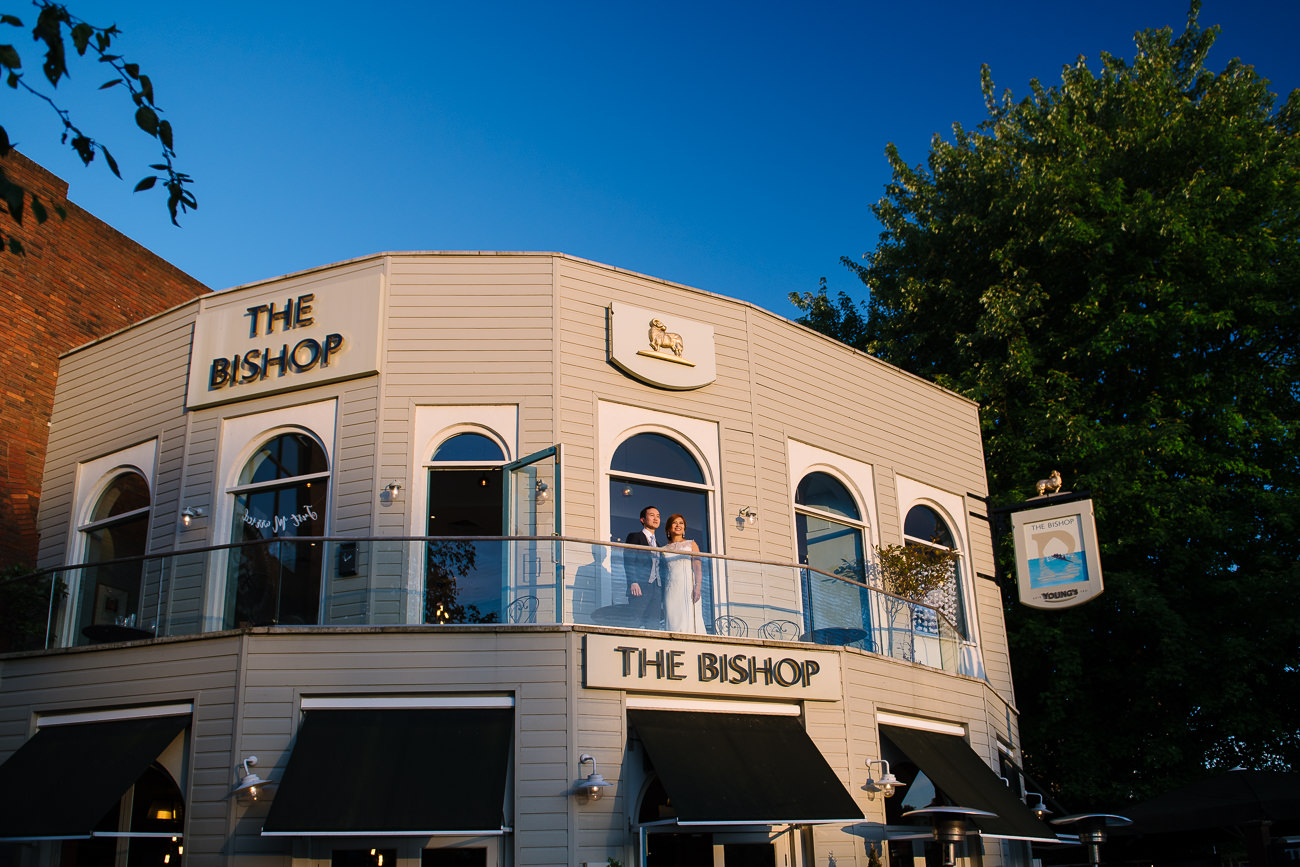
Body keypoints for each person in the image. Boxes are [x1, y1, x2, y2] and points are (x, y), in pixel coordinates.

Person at [661, 513, 703, 633]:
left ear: (684, 528)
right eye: (675, 523)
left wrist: (698, 587)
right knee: (672, 618)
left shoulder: (691, 544)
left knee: (688, 617)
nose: (678, 525)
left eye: (681, 523)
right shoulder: (663, 548)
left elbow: (698, 566)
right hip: (671, 589)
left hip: (688, 587)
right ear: (669, 528)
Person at [624, 506, 663, 628]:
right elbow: (629, 560)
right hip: (640, 586)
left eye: (658, 516)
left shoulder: (658, 544)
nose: (655, 518)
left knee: (654, 623)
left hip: (657, 588)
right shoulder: (635, 536)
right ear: (643, 519)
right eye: (652, 515)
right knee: (635, 620)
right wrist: (633, 582)